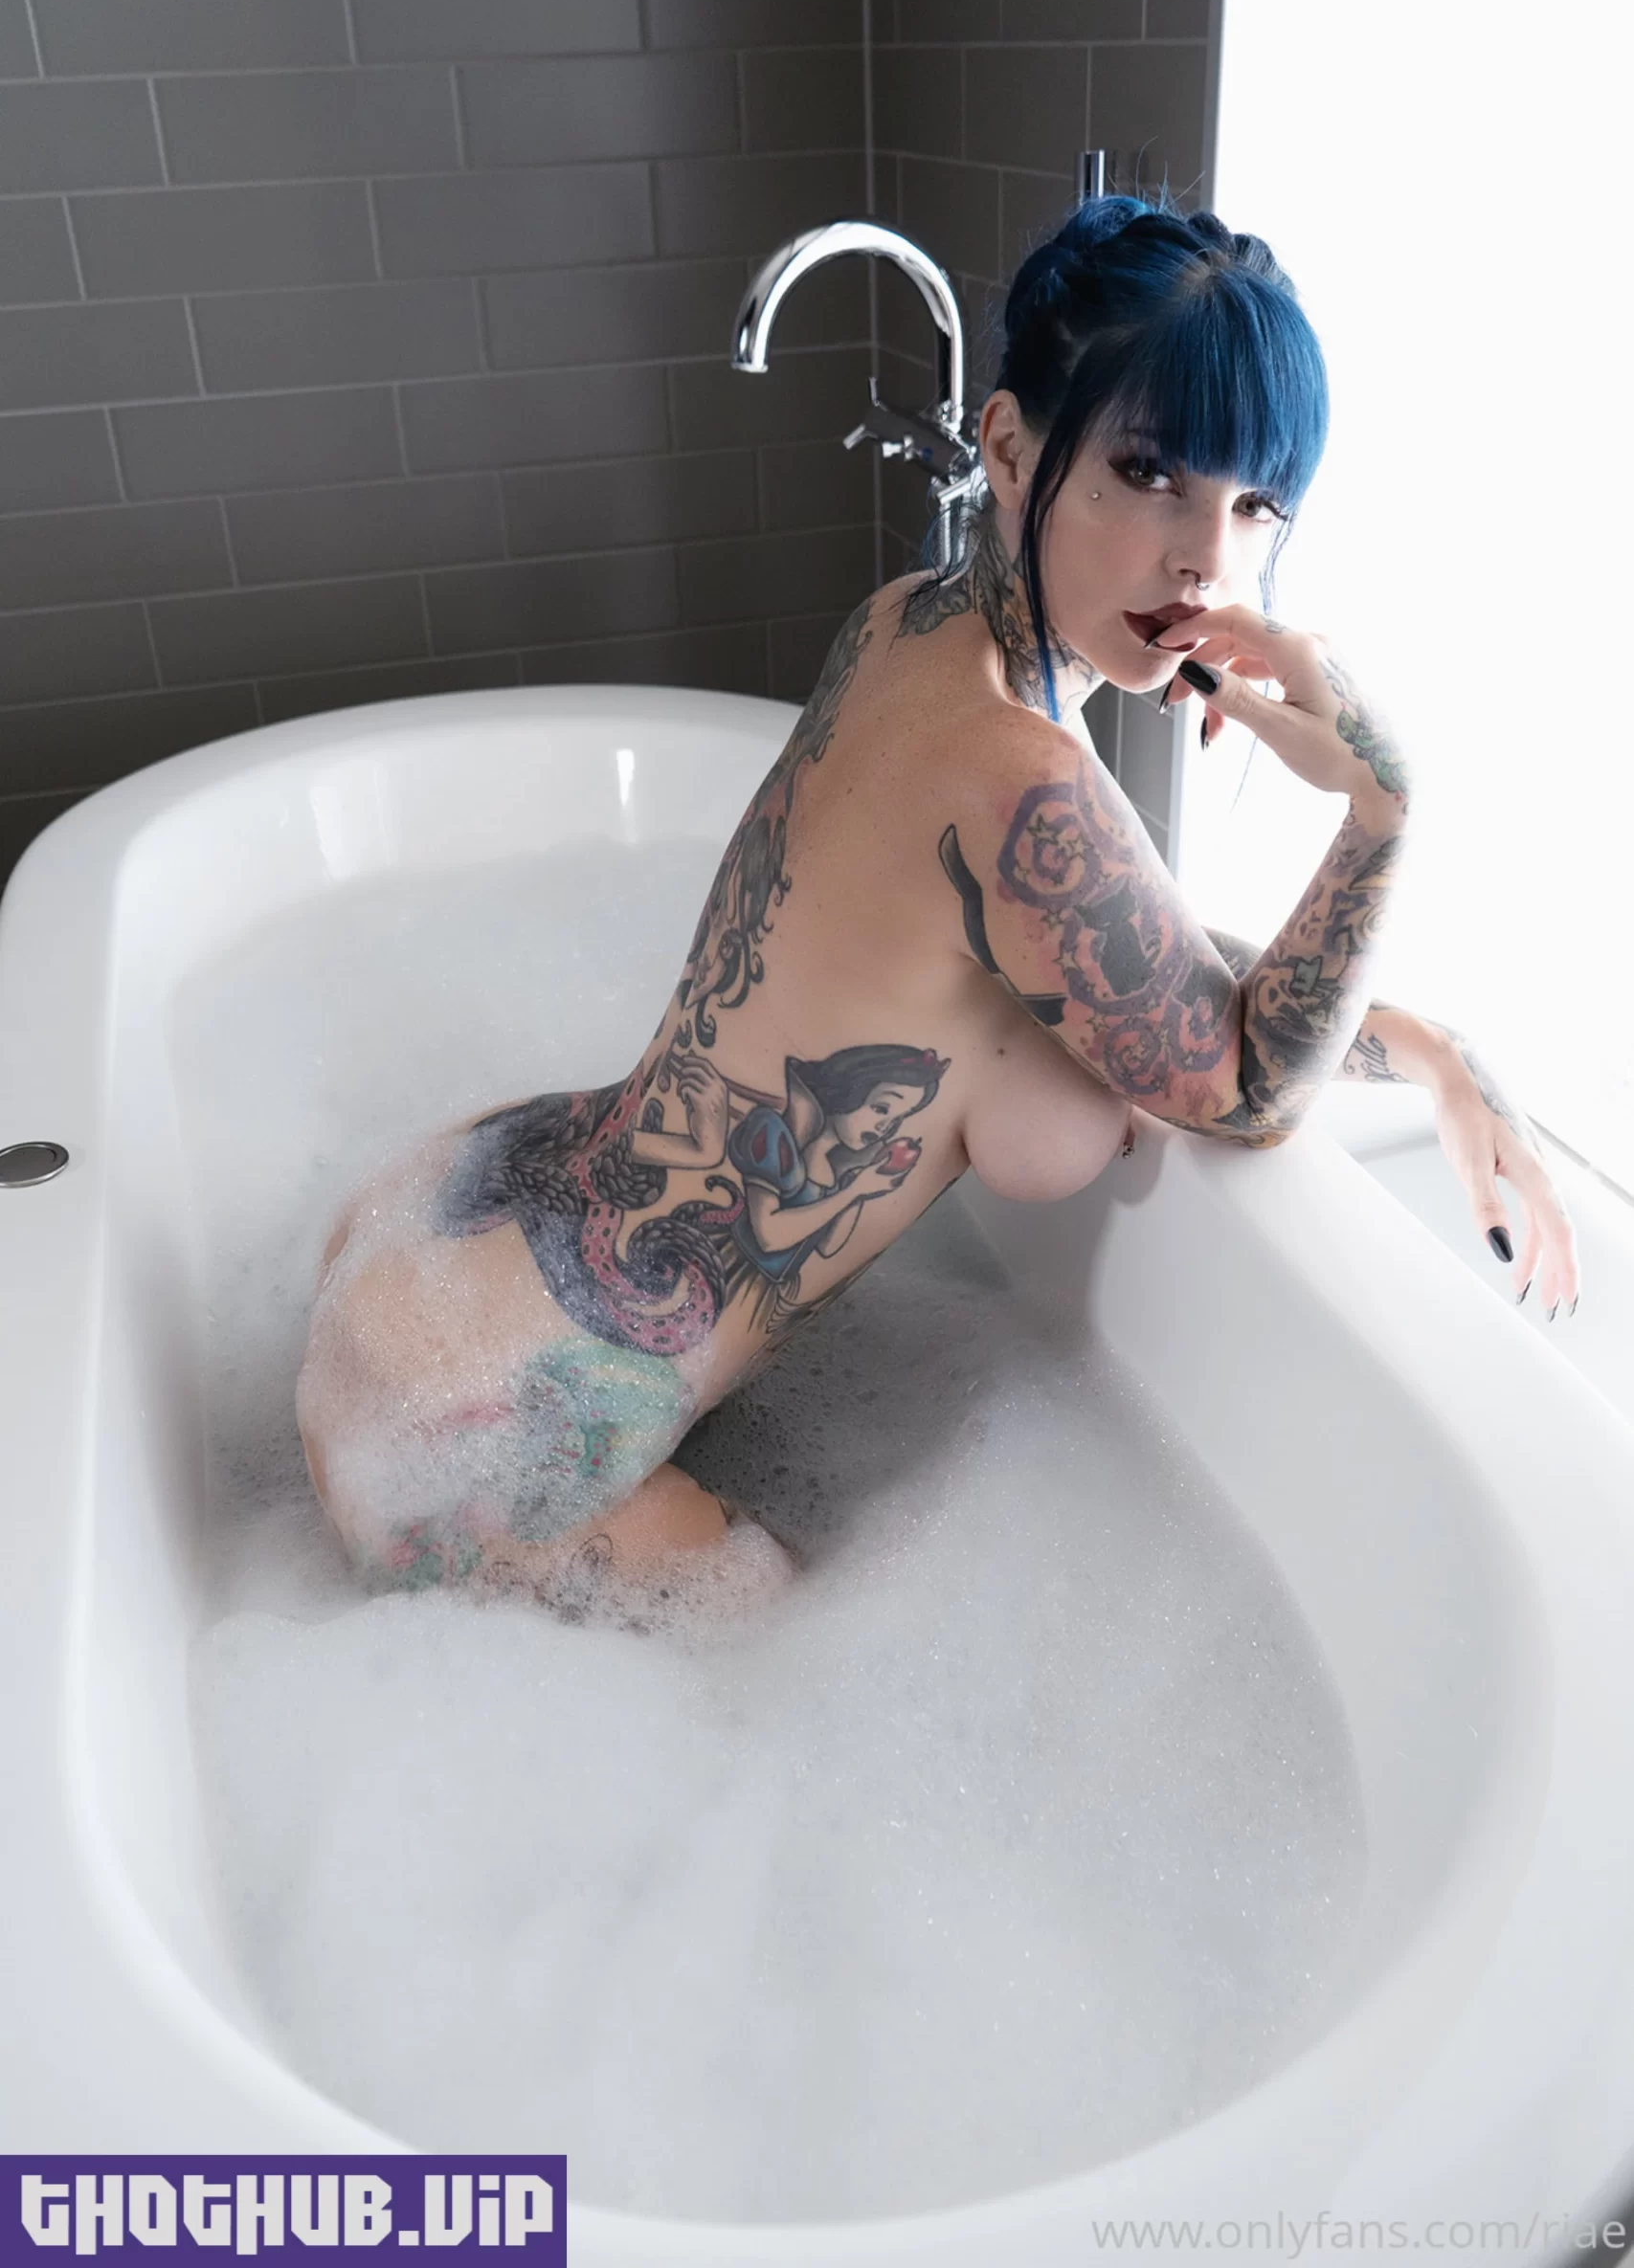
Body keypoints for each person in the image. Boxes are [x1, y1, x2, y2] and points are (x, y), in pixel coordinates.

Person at [296, 190, 1579, 1621]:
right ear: (1010, 449)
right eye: (1150, 472)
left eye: (1252, 504)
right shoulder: (1018, 777)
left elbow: (1131, 961)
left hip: (457, 1235)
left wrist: (1434, 1049)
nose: (1206, 559)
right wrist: (1382, 813)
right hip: (488, 1443)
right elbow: (1244, 1084)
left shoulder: (909, 621)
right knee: (774, 1639)